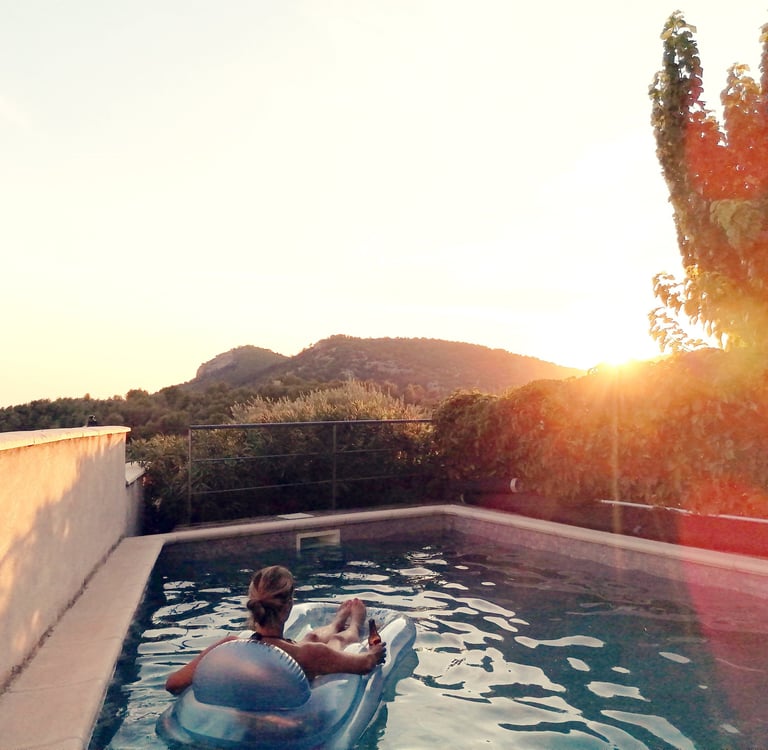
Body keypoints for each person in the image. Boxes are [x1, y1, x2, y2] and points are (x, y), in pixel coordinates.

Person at [165, 565, 386, 694]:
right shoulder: (310, 655)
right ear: (289, 605)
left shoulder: (227, 646)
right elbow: (366, 664)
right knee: (336, 642)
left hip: (241, 729)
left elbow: (173, 684)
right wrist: (376, 652)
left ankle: (337, 621)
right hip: (294, 702)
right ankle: (352, 624)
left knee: (310, 637)